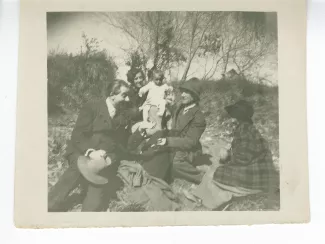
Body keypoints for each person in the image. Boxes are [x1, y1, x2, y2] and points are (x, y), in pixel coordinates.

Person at [48, 79, 133, 212]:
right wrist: (90, 152)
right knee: (75, 171)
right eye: (124, 95)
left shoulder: (123, 116)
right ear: (112, 94)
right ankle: (47, 207)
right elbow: (77, 135)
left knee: (94, 205)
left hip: (103, 161)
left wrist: (109, 159)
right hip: (82, 152)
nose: (127, 100)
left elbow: (121, 144)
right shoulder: (92, 107)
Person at [191, 100, 280, 209]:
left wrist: (227, 157)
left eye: (234, 114)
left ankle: (204, 199)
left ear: (239, 116)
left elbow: (242, 159)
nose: (232, 118)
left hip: (255, 177)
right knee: (216, 166)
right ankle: (206, 197)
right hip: (263, 175)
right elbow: (246, 152)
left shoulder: (244, 129)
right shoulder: (249, 128)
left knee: (216, 172)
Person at [156, 77, 207, 184]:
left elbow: (190, 142)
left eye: (187, 92)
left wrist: (168, 141)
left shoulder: (199, 117)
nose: (182, 95)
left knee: (175, 162)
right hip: (176, 144)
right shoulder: (181, 107)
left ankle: (201, 177)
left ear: (194, 96)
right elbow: (173, 113)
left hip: (190, 150)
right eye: (182, 91)